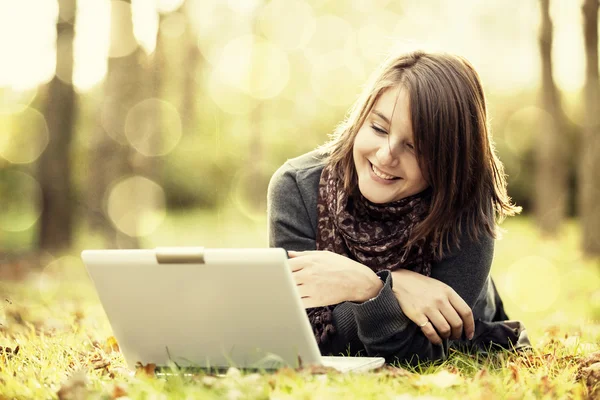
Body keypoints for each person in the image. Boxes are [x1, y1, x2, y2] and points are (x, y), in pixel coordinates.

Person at [266, 50, 531, 365]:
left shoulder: (468, 199)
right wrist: (392, 287)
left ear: (450, 160)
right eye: (378, 129)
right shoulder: (297, 187)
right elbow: (303, 332)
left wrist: (370, 288)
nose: (385, 155)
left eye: (414, 146)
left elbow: (424, 350)